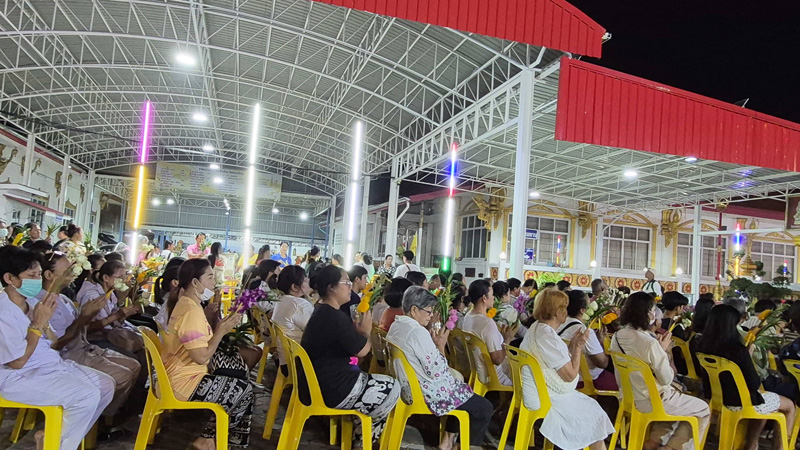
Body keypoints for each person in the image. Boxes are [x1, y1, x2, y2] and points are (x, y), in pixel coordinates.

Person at [0, 246, 114, 450]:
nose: (37, 280)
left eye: (38, 274)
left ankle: (53, 437)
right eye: (31, 275)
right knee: (86, 395)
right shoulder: (4, 312)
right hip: (18, 377)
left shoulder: (33, 303)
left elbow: (52, 342)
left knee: (105, 385)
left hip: (48, 365)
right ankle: (57, 446)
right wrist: (37, 325)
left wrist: (45, 323)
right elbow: (17, 362)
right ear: (10, 278)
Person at [34, 251, 141, 425]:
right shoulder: (41, 303)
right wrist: (85, 317)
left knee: (134, 365)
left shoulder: (63, 298)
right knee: (122, 375)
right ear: (48, 275)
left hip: (83, 346)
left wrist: (87, 317)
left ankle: (105, 416)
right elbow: (57, 343)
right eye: (68, 270)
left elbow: (79, 326)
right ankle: (99, 421)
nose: (74, 273)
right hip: (67, 354)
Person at [300, 265, 400, 447]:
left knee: (378, 381)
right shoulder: (334, 317)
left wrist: (357, 335)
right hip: (333, 387)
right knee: (393, 388)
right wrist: (366, 332)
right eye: (346, 282)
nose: (349, 287)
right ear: (331, 287)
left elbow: (352, 352)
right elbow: (362, 351)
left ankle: (360, 429)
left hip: (318, 380)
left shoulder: (321, 310)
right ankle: (363, 440)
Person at [387, 286, 493, 450]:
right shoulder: (417, 332)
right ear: (414, 310)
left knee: (461, 389)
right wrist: (441, 346)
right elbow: (436, 370)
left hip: (408, 386)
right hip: (427, 391)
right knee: (484, 407)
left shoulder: (397, 325)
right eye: (428, 312)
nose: (431, 316)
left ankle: (447, 442)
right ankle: (462, 446)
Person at [162, 259, 252, 449]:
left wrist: (217, 323)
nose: (214, 282)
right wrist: (221, 331)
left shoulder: (188, 304)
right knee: (244, 391)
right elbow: (201, 357)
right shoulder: (190, 311)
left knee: (239, 376)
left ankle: (212, 439)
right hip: (183, 383)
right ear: (195, 282)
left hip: (183, 375)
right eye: (210, 277)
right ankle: (210, 439)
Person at [611, 292, 710, 450]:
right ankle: (673, 447)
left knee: (679, 407)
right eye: (652, 310)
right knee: (702, 409)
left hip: (629, 397)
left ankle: (653, 442)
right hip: (652, 399)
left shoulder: (617, 336)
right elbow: (667, 379)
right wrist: (664, 351)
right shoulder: (649, 343)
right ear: (646, 314)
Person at [520, 288, 614, 450]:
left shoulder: (537, 328)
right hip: (545, 396)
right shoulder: (546, 335)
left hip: (539, 389)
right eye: (564, 307)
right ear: (557, 312)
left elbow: (556, 360)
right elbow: (570, 376)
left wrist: (573, 346)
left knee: (592, 408)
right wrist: (577, 347)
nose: (567, 311)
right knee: (593, 413)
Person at [697, 304, 796, 450]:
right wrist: (748, 356)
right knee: (789, 406)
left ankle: (751, 444)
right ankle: (780, 447)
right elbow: (754, 383)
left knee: (764, 404)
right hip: (743, 402)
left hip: (717, 399)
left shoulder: (702, 347)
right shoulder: (737, 350)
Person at [76, 260, 142, 354]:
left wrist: (124, 313)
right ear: (106, 278)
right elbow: (86, 328)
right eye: (120, 277)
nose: (124, 280)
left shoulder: (110, 293)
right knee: (133, 353)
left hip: (109, 333)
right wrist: (117, 316)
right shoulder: (93, 296)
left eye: (125, 276)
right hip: (94, 339)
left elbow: (114, 315)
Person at [556, 290, 617, 391]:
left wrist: (598, 341)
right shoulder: (584, 331)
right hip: (587, 379)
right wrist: (601, 343)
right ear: (582, 310)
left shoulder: (559, 325)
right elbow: (602, 363)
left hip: (564, 374)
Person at [462, 279, 516, 386]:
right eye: (491, 294)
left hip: (476, 370)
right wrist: (507, 340)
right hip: (493, 375)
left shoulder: (468, 316)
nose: (494, 297)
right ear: (484, 298)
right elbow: (497, 360)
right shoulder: (487, 323)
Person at [271, 266, 313, 376]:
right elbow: (316, 332)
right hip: (301, 365)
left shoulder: (281, 300)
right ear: (294, 287)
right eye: (305, 280)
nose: (308, 281)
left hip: (285, 362)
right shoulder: (299, 305)